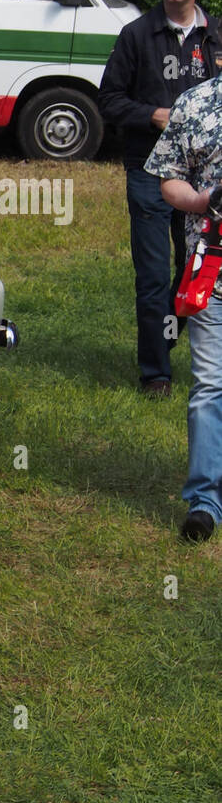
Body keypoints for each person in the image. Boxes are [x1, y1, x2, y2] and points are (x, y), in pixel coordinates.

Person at [98, 0, 222, 398]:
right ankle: (157, 373)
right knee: (151, 277)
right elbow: (108, 99)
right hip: (149, 172)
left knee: (195, 268)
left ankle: (177, 342)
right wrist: (155, 116)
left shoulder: (217, 35)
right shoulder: (136, 35)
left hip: (205, 179)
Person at [146, 72, 222, 540]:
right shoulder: (196, 102)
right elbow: (168, 181)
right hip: (212, 275)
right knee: (210, 386)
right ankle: (205, 501)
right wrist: (199, 200)